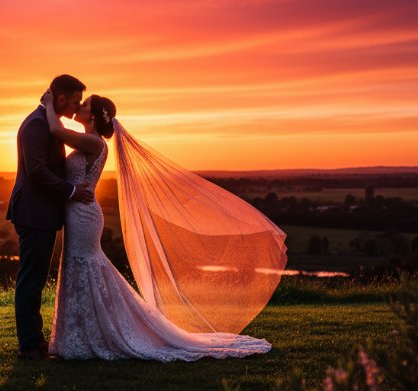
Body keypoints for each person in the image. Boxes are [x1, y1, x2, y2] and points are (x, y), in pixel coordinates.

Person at [39, 90, 274, 361]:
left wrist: (47, 103)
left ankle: (96, 335)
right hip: (77, 212)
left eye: (86, 104)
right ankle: (80, 335)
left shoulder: (95, 143)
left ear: (93, 115)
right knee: (77, 266)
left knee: (84, 265)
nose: (80, 105)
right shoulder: (86, 142)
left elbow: (56, 130)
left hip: (84, 216)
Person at [6, 74, 95, 360]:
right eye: (74, 101)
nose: (75, 108)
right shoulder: (35, 125)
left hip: (41, 213)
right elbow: (37, 171)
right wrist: (71, 191)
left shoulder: (46, 122)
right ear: (60, 99)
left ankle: (35, 339)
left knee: (35, 279)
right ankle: (29, 346)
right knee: (31, 280)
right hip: (34, 213)